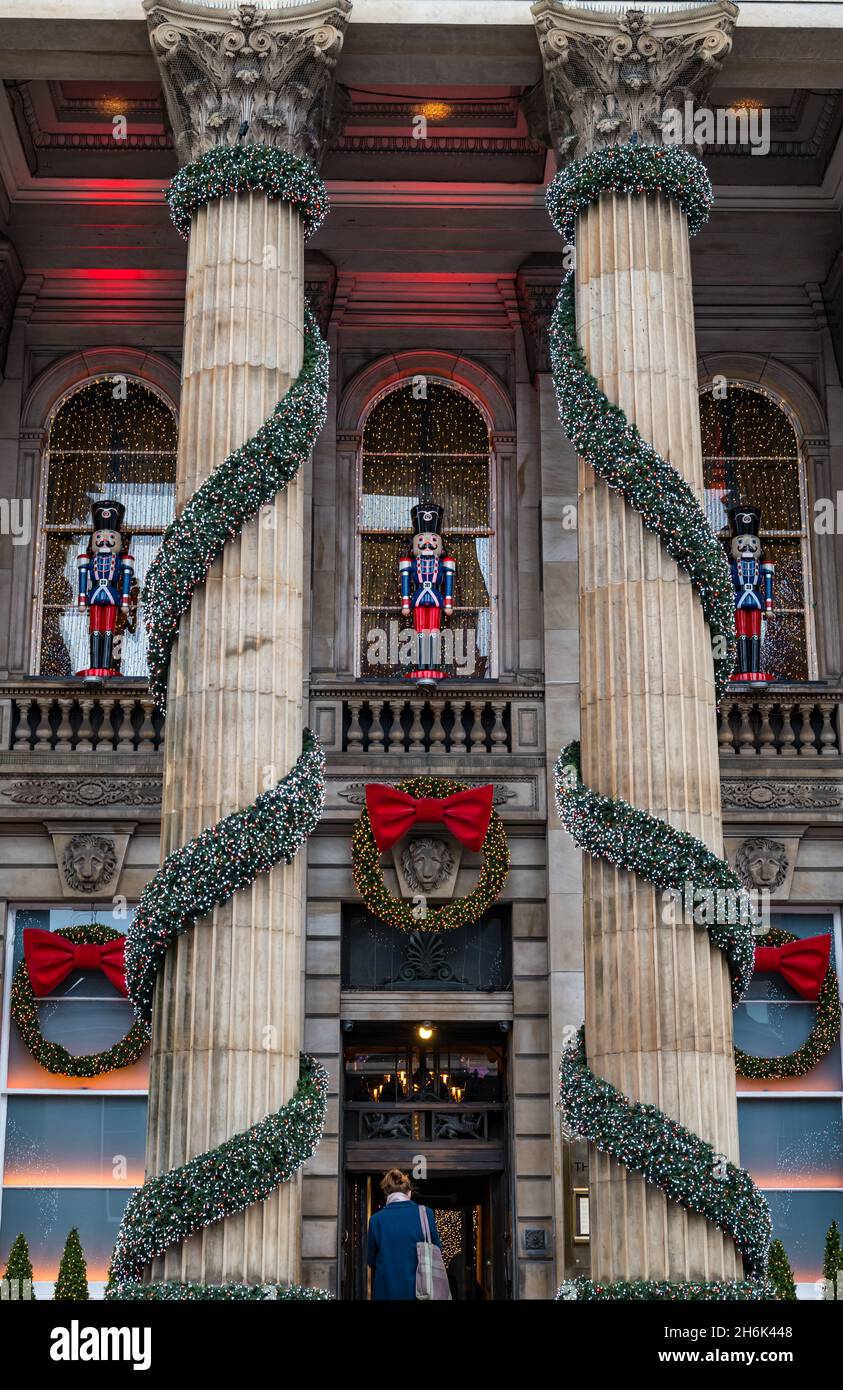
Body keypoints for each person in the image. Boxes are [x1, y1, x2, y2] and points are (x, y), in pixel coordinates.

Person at [366, 1169, 442, 1300]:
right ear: (409, 1192)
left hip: (385, 1291)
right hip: (420, 1292)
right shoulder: (425, 1213)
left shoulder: (376, 1220)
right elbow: (437, 1251)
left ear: (386, 1194)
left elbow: (370, 1260)